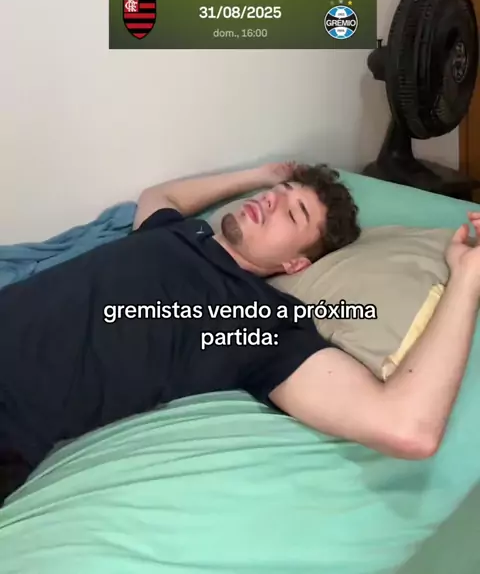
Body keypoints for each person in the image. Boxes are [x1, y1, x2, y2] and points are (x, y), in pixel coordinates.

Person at [0, 161, 479, 506]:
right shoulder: (180, 234)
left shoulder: (258, 320)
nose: (272, 201)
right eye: (279, 193)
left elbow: (407, 429)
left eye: (293, 213)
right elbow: (159, 197)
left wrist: (467, 277)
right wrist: (259, 175)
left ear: (297, 264)